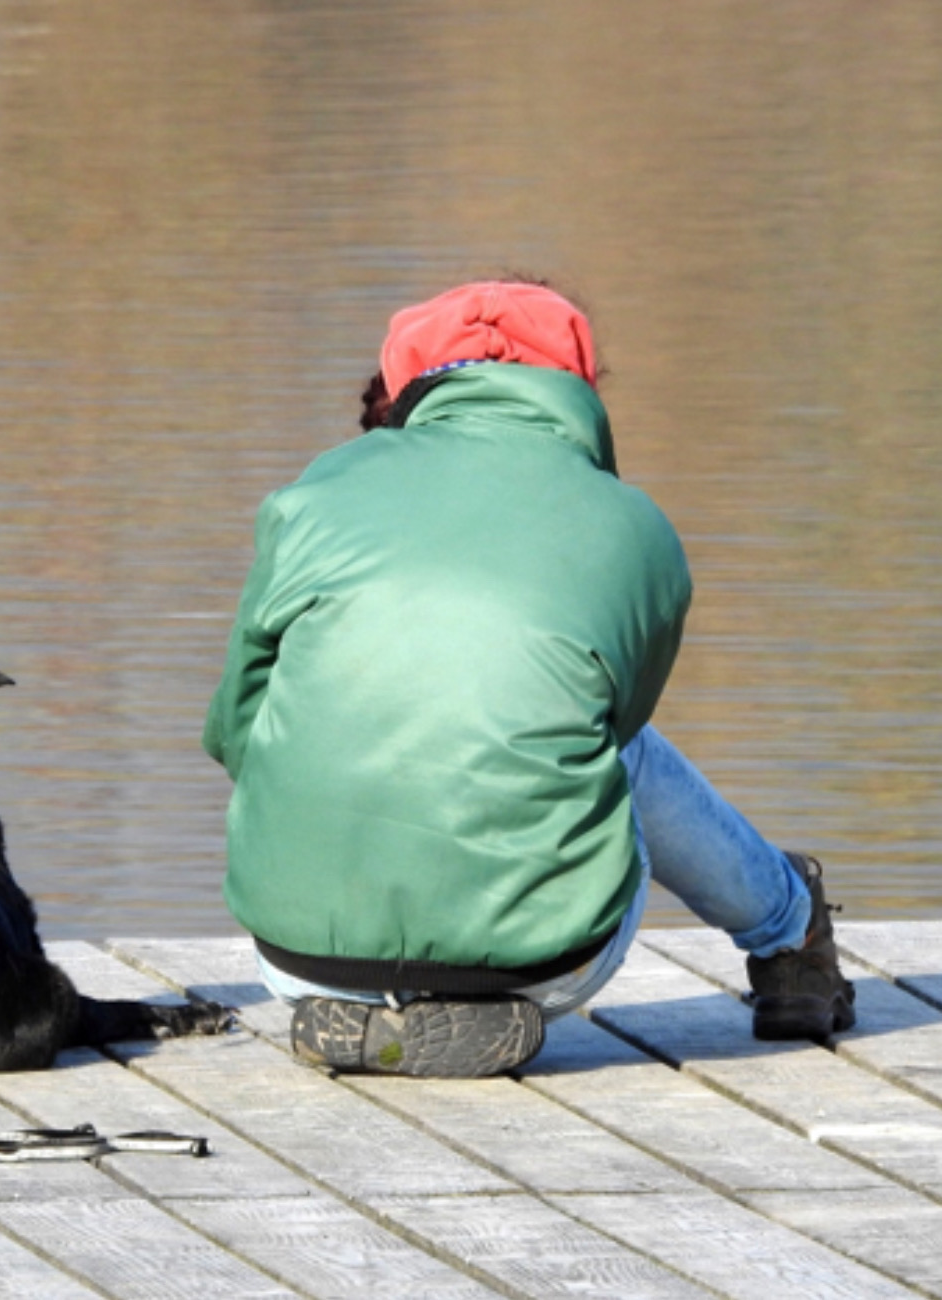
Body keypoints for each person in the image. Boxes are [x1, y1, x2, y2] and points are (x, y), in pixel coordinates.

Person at [203, 278, 855, 1078]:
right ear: (573, 388)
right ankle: (791, 931)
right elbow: (609, 734)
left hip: (297, 958)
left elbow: (235, 730)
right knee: (608, 745)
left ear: (404, 382)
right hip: (545, 962)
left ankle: (380, 1007)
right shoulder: (633, 526)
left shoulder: (313, 493)